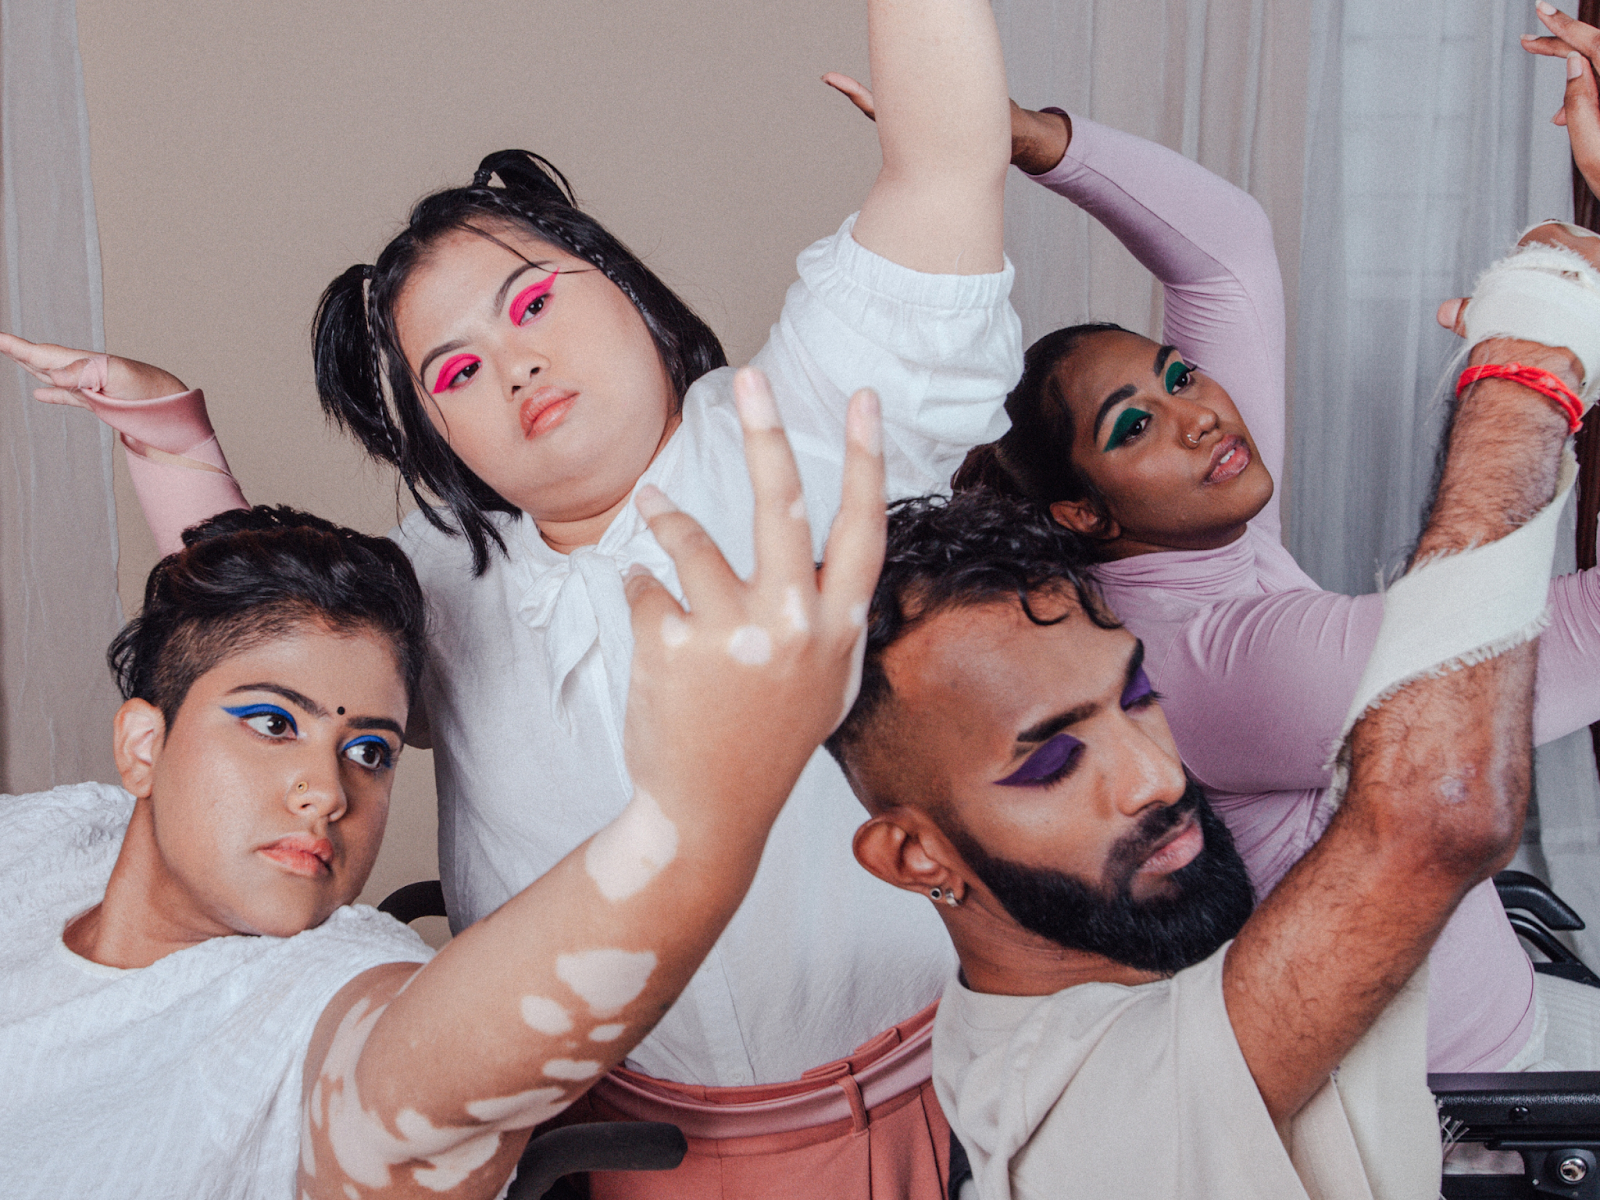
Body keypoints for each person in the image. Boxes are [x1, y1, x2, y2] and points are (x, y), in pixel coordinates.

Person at [0, 1, 1019, 1190]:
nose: (516, 364)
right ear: (441, 440)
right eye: (457, 370)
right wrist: (167, 431)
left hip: (920, 1089)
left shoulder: (792, 420)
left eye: (532, 303)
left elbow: (945, 166)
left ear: (626, 291)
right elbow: (263, 643)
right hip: (610, 1134)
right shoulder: (450, 570)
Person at [817, 71, 1600, 1073]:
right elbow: (1549, 639)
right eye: (1133, 424)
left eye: (1178, 374)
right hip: (1467, 1113)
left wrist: (1017, 136)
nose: (1196, 411)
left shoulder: (1202, 530)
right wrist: (1546, 330)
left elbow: (1225, 254)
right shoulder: (1216, 659)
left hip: (1514, 1033)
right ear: (1083, 512)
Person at [0, 369, 887, 1199]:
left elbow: (437, 1079)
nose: (328, 790)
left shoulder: (326, 996)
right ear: (142, 749)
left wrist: (700, 813)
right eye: (274, 724)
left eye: (372, 750)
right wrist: (172, 434)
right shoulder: (55, 842)